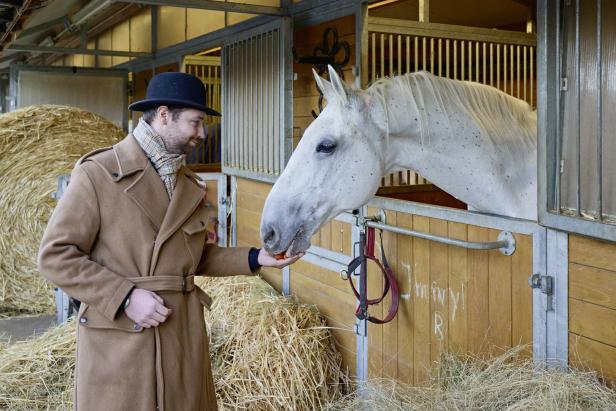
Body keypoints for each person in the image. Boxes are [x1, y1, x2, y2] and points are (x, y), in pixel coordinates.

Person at [38, 72, 302, 411]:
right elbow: (56, 256)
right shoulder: (99, 173)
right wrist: (125, 297)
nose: (202, 134)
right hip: (123, 335)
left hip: (180, 333)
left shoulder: (188, 184)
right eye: (195, 123)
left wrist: (255, 259)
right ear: (164, 115)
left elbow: (189, 258)